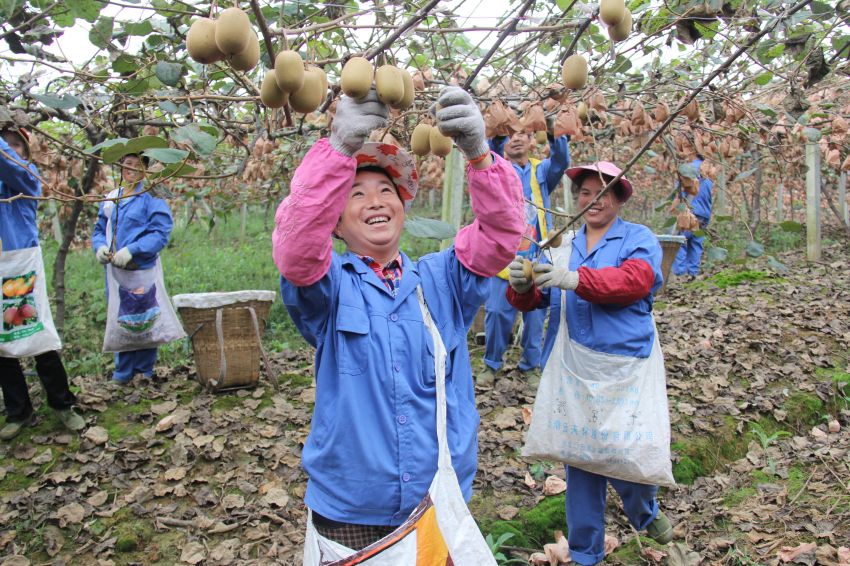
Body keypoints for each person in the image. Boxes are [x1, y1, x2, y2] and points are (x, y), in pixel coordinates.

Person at [272, 87, 524, 551]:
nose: (375, 201)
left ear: (403, 208)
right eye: (356, 193)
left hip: (438, 498)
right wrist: (339, 149)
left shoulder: (443, 278)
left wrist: (480, 156)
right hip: (351, 506)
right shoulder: (327, 288)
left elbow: (502, 234)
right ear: (335, 220)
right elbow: (296, 249)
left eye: (386, 190)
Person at [505, 162, 674, 565]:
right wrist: (521, 287)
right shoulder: (561, 245)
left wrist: (577, 279)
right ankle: (585, 554)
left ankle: (644, 511)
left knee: (619, 449)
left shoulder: (639, 238)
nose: (592, 200)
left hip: (622, 367)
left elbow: (635, 282)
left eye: (603, 193)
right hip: (572, 368)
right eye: (584, 193)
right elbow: (537, 300)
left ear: (617, 199)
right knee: (580, 458)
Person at [0, 125, 86, 440]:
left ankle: (63, 405)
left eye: (15, 145)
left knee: (35, 333)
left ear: (26, 151)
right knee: (1, 344)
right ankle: (18, 411)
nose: (10, 149)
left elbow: (10, 166)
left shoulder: (27, 177)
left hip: (19, 267)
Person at [477, 129, 570, 387]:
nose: (516, 138)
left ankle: (531, 366)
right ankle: (491, 363)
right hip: (503, 256)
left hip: (536, 253)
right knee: (496, 312)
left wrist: (553, 129)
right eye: (510, 134)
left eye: (523, 134)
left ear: (531, 141)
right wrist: (496, 133)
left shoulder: (541, 171)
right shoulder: (497, 168)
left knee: (536, 315)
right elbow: (485, 157)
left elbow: (561, 161)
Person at [91, 153, 173, 384]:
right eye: (127, 164)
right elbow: (99, 229)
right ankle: (123, 373)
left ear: (146, 169)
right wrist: (99, 246)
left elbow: (160, 231)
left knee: (146, 320)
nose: (132, 169)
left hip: (141, 270)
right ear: (119, 166)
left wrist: (133, 249)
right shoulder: (111, 198)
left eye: (138, 165)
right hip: (116, 273)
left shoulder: (152, 195)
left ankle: (144, 372)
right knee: (123, 319)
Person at [671, 156, 712, 281]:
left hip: (689, 211)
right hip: (704, 213)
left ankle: (680, 275)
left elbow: (681, 190)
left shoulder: (688, 169)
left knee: (680, 242)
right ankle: (692, 274)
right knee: (696, 243)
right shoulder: (709, 169)